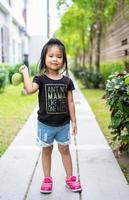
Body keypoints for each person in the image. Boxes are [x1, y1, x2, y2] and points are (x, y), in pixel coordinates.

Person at [19, 38, 82, 194]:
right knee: (46, 151)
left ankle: (70, 178)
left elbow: (71, 102)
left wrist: (74, 121)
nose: (55, 59)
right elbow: (29, 89)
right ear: (45, 58)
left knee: (65, 150)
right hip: (45, 125)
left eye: (59, 56)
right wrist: (25, 72)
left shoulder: (67, 81)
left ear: (63, 60)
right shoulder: (40, 79)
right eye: (51, 55)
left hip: (63, 124)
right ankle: (47, 179)